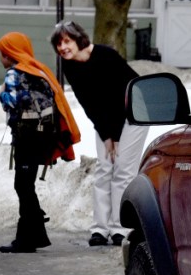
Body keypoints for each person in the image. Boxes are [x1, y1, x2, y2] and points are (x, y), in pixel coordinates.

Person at [51, 20, 149, 247]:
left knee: (123, 169)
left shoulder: (106, 56)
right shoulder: (70, 66)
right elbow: (90, 104)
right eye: (58, 44)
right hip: (106, 120)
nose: (63, 47)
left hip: (134, 113)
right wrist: (107, 136)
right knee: (104, 168)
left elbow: (120, 97)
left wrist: (115, 137)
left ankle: (120, 229)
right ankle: (100, 229)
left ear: (78, 39)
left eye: (67, 41)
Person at [0, 32, 77, 253]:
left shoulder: (14, 73)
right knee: (26, 184)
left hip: (26, 137)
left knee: (22, 185)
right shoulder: (38, 70)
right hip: (44, 137)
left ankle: (27, 237)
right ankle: (35, 234)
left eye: (1, 54)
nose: (0, 58)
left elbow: (13, 102)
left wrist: (2, 95)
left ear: (10, 54)